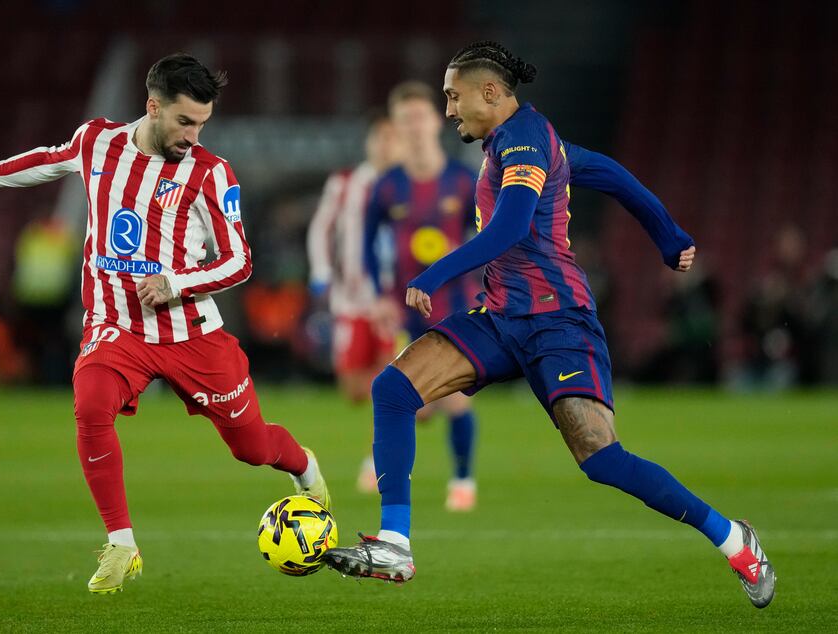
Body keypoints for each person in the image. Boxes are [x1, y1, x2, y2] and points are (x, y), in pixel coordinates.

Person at [323, 41, 774, 610]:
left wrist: (434, 275)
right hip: (501, 316)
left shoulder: (527, 142)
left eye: (453, 96)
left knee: (601, 457)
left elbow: (509, 228)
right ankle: (394, 544)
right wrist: (667, 235)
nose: (448, 110)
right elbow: (605, 171)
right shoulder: (515, 140)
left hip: (559, 321)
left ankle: (734, 539)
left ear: (490, 92)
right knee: (393, 388)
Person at [0, 53, 330, 595]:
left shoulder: (210, 173)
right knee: (91, 403)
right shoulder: (98, 141)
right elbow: (47, 160)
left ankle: (303, 465)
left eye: (202, 124)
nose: (194, 134)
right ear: (152, 105)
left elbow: (240, 261)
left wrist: (176, 283)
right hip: (117, 326)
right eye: (185, 121)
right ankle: (121, 544)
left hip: (191, 333)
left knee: (252, 447)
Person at [360, 81, 484, 510]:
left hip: (451, 305)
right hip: (402, 306)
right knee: (395, 391)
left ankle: (463, 479)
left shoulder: (463, 180)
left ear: (436, 120)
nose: (413, 127)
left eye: (419, 117)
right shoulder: (387, 186)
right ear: (394, 128)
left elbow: (488, 237)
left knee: (451, 398)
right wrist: (378, 294)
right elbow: (367, 244)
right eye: (404, 120)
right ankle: (384, 472)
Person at [306, 109, 400, 491]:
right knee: (353, 389)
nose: (386, 146)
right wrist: (321, 273)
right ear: (369, 143)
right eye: (380, 138)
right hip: (349, 300)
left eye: (392, 139)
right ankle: (421, 402)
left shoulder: (408, 185)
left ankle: (376, 458)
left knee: (388, 382)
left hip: (393, 303)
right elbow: (321, 227)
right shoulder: (345, 182)